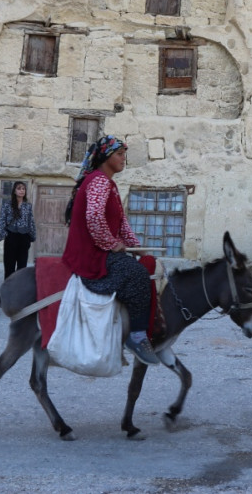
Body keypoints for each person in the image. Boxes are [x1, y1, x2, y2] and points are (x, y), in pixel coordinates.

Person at [61, 135, 158, 365]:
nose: (124, 159)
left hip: (101, 250)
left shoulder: (108, 183)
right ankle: (136, 336)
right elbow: (94, 217)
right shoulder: (99, 181)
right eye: (120, 154)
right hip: (92, 255)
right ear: (106, 156)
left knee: (146, 264)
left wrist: (137, 247)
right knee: (138, 275)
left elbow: (121, 223)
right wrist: (112, 244)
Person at [0, 181, 36, 280]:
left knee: (22, 268)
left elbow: (31, 221)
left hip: (24, 238)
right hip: (11, 237)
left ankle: (19, 291)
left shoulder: (28, 206)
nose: (21, 191)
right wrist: (5, 235)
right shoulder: (7, 205)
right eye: (19, 188)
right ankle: (8, 291)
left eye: (23, 189)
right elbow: (2, 220)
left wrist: (32, 236)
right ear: (14, 191)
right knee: (9, 267)